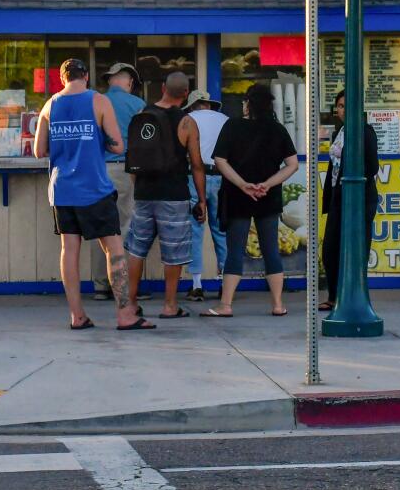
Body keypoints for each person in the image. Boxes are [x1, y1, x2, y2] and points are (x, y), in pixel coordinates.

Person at [34, 58, 151, 331]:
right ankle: (125, 314)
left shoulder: (50, 105)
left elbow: (40, 150)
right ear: (85, 76)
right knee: (114, 249)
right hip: (94, 187)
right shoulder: (98, 101)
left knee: (69, 251)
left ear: (62, 78)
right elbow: (116, 145)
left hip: (62, 189)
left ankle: (77, 316)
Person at [203, 83, 299, 317]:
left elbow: (220, 160)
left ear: (249, 104)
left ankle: (225, 305)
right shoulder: (277, 130)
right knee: (271, 250)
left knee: (235, 250)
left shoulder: (233, 126)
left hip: (238, 196)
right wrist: (267, 184)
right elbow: (292, 164)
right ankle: (277, 305)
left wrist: (242, 184)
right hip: (268, 196)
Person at [124, 71, 207, 320]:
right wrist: (201, 199)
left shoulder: (142, 115)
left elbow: (133, 157)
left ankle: (129, 303)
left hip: (144, 193)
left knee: (137, 250)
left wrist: (139, 185)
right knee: (174, 252)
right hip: (174, 195)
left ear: (162, 87)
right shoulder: (187, 123)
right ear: (185, 94)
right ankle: (170, 305)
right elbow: (197, 165)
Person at [320, 89, 379, 312]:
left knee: (357, 249)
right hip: (338, 196)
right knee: (331, 249)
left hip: (359, 199)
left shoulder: (365, 131)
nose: (343, 110)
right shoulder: (340, 132)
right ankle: (334, 295)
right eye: (340, 106)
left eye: (347, 106)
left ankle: (356, 297)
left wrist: (353, 180)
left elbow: (372, 166)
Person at [98, 61, 147, 301]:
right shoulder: (138, 105)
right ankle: (124, 287)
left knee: (101, 227)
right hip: (125, 171)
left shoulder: (95, 102)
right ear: (129, 82)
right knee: (126, 227)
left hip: (97, 171)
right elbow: (144, 143)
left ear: (109, 80)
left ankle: (100, 285)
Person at [183, 89, 229, 301]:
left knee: (195, 230)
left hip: (195, 177)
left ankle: (197, 284)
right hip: (222, 177)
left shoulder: (188, 119)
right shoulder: (225, 120)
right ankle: (225, 283)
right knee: (221, 230)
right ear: (209, 104)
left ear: (192, 105)